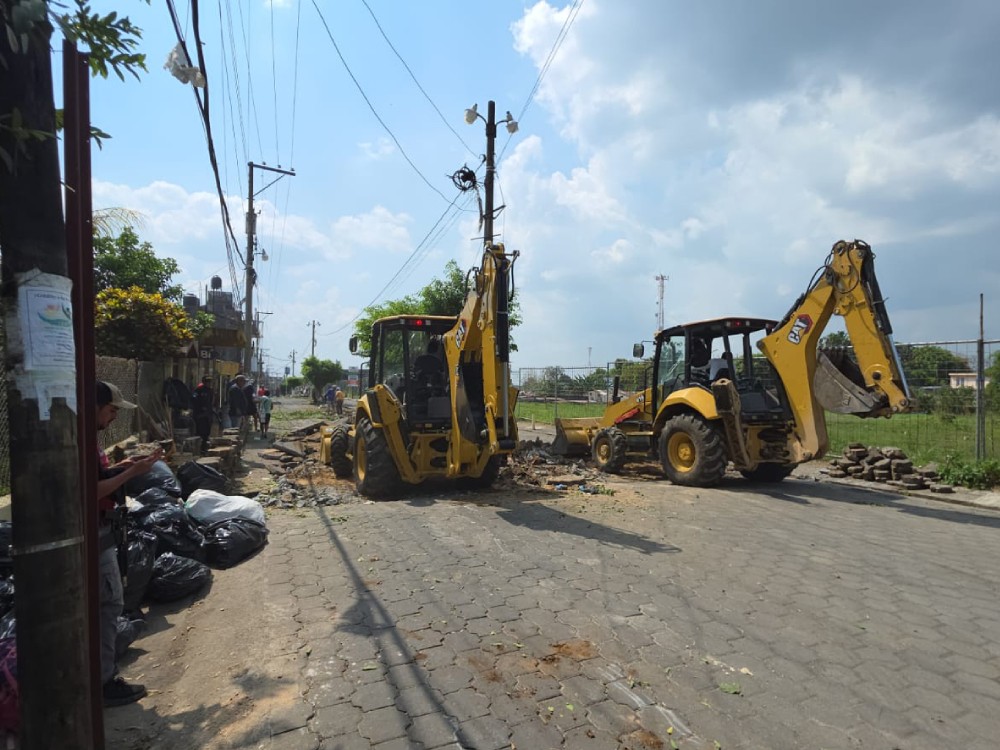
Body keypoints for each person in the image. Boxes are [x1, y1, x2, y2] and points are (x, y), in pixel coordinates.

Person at [96, 381, 163, 707]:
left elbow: (99, 478)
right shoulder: (78, 440)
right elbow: (92, 490)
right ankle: (105, 682)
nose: (112, 417)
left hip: (103, 533)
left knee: (108, 606)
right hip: (96, 537)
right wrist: (130, 472)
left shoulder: (86, 439)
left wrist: (127, 468)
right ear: (96, 406)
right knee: (109, 606)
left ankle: (102, 675)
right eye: (111, 410)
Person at [191, 374, 215, 454]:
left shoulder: (210, 391)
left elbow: (211, 402)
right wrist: (200, 409)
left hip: (207, 416)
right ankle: (199, 449)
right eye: (207, 381)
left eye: (210, 382)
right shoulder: (198, 390)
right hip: (199, 416)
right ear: (204, 382)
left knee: (206, 433)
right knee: (199, 433)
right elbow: (193, 401)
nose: (209, 383)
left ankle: (204, 449)